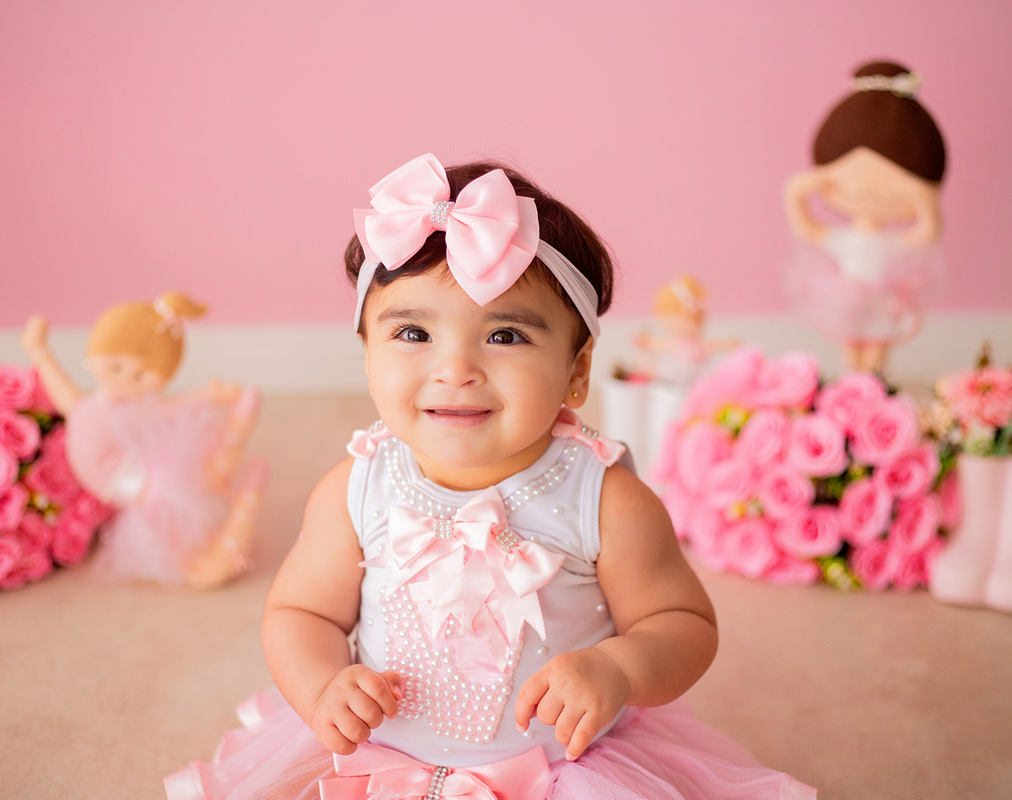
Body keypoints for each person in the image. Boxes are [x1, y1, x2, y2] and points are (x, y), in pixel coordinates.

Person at [165, 155, 815, 799]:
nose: (455, 368)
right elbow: (300, 611)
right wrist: (322, 687)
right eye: (413, 332)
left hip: (561, 770)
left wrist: (619, 666)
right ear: (367, 356)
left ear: (577, 370)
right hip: (381, 761)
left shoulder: (605, 499)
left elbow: (682, 622)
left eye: (504, 337)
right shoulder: (355, 487)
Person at [22, 293, 267, 589]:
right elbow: (60, 387)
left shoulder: (126, 410)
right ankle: (234, 447)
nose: (124, 380)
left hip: (138, 482)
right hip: (129, 478)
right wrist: (39, 350)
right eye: (115, 368)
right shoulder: (87, 408)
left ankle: (237, 465)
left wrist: (207, 395)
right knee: (193, 483)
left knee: (179, 504)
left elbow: (166, 410)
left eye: (139, 376)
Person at [784, 61, 948, 374]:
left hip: (881, 301)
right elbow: (807, 230)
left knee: (876, 353)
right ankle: (851, 388)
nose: (870, 196)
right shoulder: (846, 240)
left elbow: (928, 232)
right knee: (849, 351)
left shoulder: (890, 241)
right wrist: (795, 194)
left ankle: (871, 387)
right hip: (847, 301)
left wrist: (922, 200)